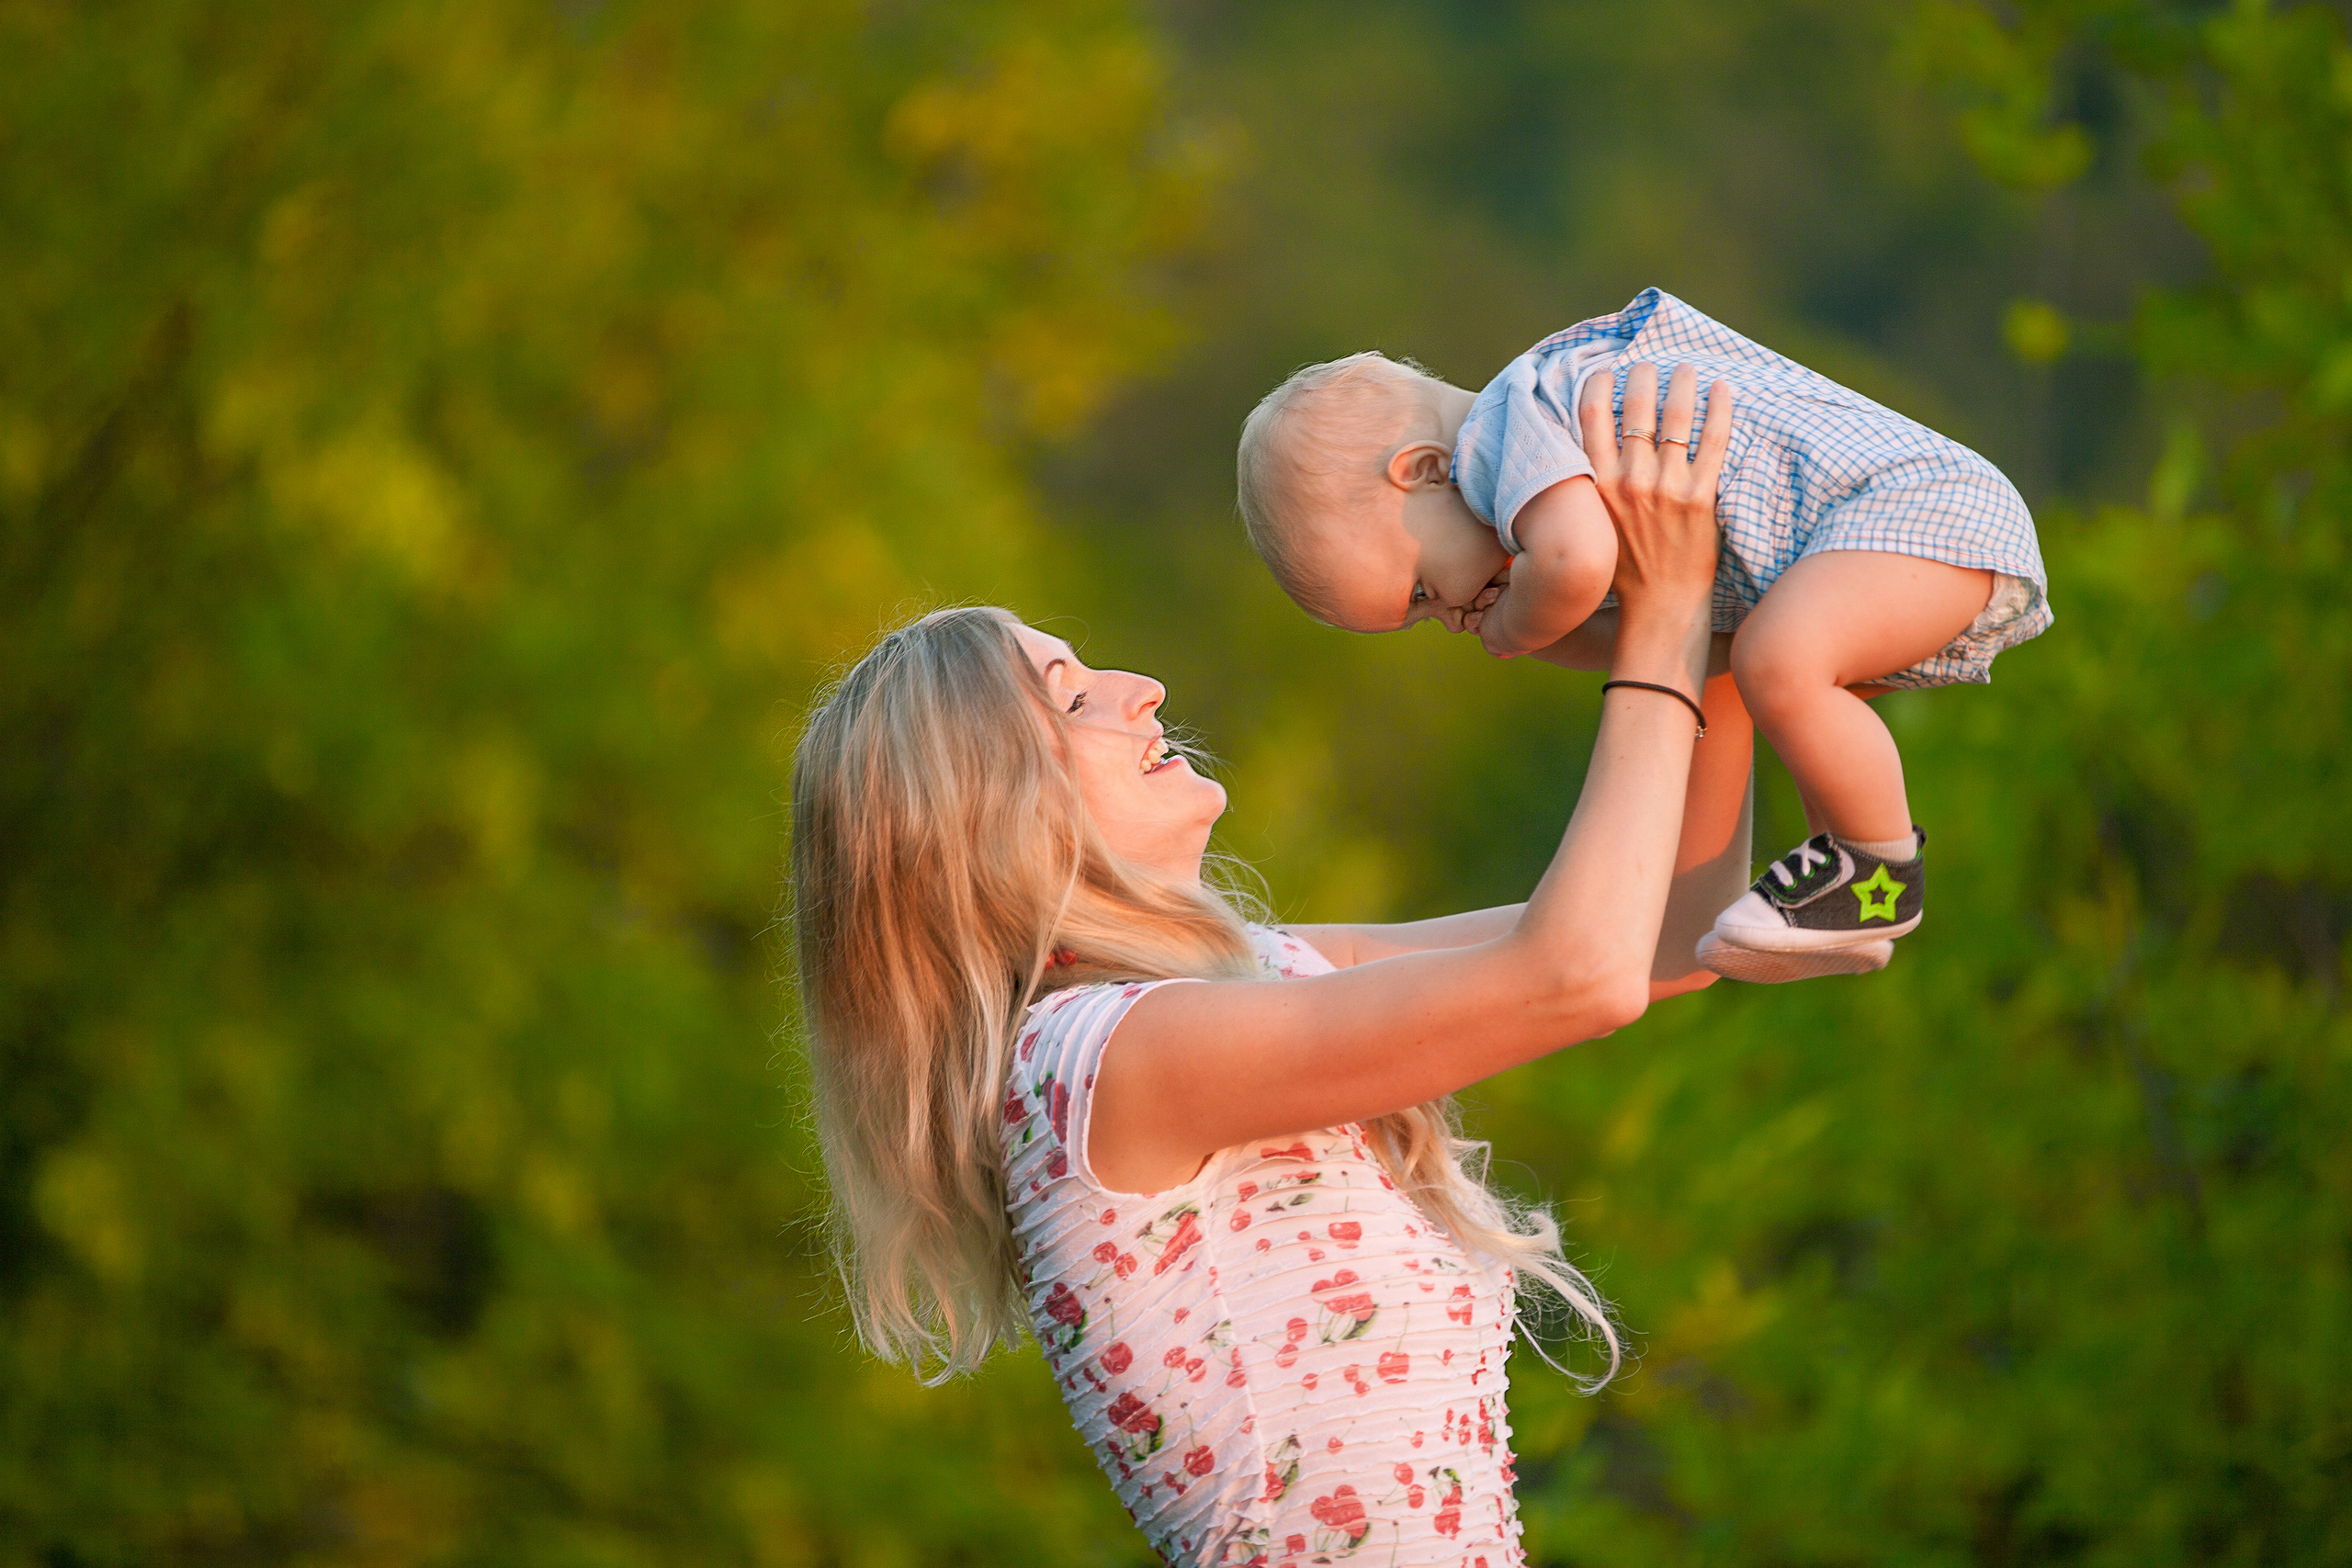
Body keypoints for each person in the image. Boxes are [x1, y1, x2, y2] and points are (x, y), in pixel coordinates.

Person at [790, 369, 1743, 1568]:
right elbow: (1579, 975)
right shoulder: (1099, 1058)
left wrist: (1717, 634)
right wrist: (1665, 611)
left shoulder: (1263, 974)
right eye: (1072, 699)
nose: (1141, 689)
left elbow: (1674, 932)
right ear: (990, 819)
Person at [1235, 288, 2052, 983]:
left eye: (1419, 592)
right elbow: (1656, 632)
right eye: (1423, 618)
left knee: (1777, 661)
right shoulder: (1543, 450)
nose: (1447, 615)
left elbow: (1578, 563)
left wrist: (1515, 626)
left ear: (1421, 468)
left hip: (1910, 509)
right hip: (1903, 529)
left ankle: (1877, 866)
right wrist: (1557, 630)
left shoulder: (1507, 425)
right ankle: (1844, 890)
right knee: (1769, 663)